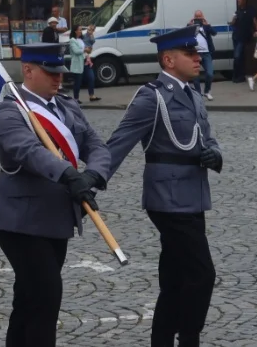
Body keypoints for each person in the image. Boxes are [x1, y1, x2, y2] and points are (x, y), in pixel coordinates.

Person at [104, 27, 222, 347]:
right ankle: (189, 338)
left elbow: (208, 140)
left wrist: (215, 155)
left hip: (194, 196)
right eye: (190, 54)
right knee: (201, 274)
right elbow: (120, 141)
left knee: (175, 278)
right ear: (168, 60)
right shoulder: (151, 96)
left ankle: (162, 340)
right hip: (167, 199)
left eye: (198, 53)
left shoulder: (194, 95)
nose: (199, 58)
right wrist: (94, 177)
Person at [0, 43, 111, 347]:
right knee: (46, 298)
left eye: (60, 72)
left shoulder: (68, 106)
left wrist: (92, 175)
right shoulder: (10, 110)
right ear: (28, 70)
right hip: (20, 222)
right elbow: (28, 152)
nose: (58, 79)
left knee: (29, 300)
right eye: (50, 72)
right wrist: (70, 174)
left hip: (57, 219)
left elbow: (96, 146)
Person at [229, 0, 256, 84]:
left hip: (243, 37)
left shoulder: (250, 10)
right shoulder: (237, 11)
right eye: (238, 0)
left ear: (244, 0)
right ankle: (237, 76)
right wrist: (232, 20)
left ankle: (238, 76)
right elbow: (233, 23)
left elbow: (254, 21)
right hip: (236, 37)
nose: (238, 1)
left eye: (240, 0)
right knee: (238, 56)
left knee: (237, 56)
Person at [190, 11, 217, 101]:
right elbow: (185, 36)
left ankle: (207, 91)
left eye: (200, 16)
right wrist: (190, 25)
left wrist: (207, 24)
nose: (198, 18)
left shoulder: (206, 26)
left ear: (203, 17)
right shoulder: (191, 26)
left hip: (206, 53)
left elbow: (214, 33)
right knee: (195, 75)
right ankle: (198, 94)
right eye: (196, 17)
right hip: (195, 53)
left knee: (210, 73)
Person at [68, 26, 96, 102]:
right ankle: (76, 98)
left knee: (91, 77)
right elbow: (76, 51)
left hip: (86, 61)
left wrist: (91, 34)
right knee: (78, 82)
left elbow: (92, 41)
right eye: (79, 30)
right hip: (78, 63)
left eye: (81, 30)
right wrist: (84, 49)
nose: (81, 31)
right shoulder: (72, 40)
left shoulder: (81, 39)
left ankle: (92, 95)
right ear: (75, 31)